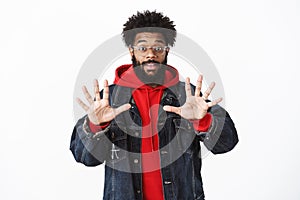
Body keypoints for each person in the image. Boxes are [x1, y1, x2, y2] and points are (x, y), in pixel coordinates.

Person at [70, 10, 238, 200]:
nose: (150, 54)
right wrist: (95, 126)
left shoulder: (189, 96)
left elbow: (227, 143)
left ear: (167, 50)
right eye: (143, 48)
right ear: (131, 50)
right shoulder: (108, 100)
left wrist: (204, 121)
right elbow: (84, 157)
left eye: (158, 48)